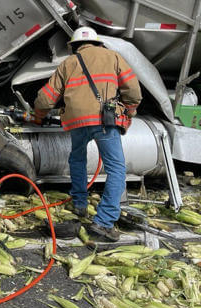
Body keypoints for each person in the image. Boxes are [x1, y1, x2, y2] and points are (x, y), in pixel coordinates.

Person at [33, 26, 142, 242]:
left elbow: (46, 98)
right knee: (116, 169)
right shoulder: (112, 56)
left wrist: (38, 114)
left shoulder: (68, 63)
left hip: (76, 121)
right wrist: (129, 110)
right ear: (98, 43)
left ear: (74, 46)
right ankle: (104, 221)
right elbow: (133, 89)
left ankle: (80, 205)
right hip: (104, 120)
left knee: (77, 159)